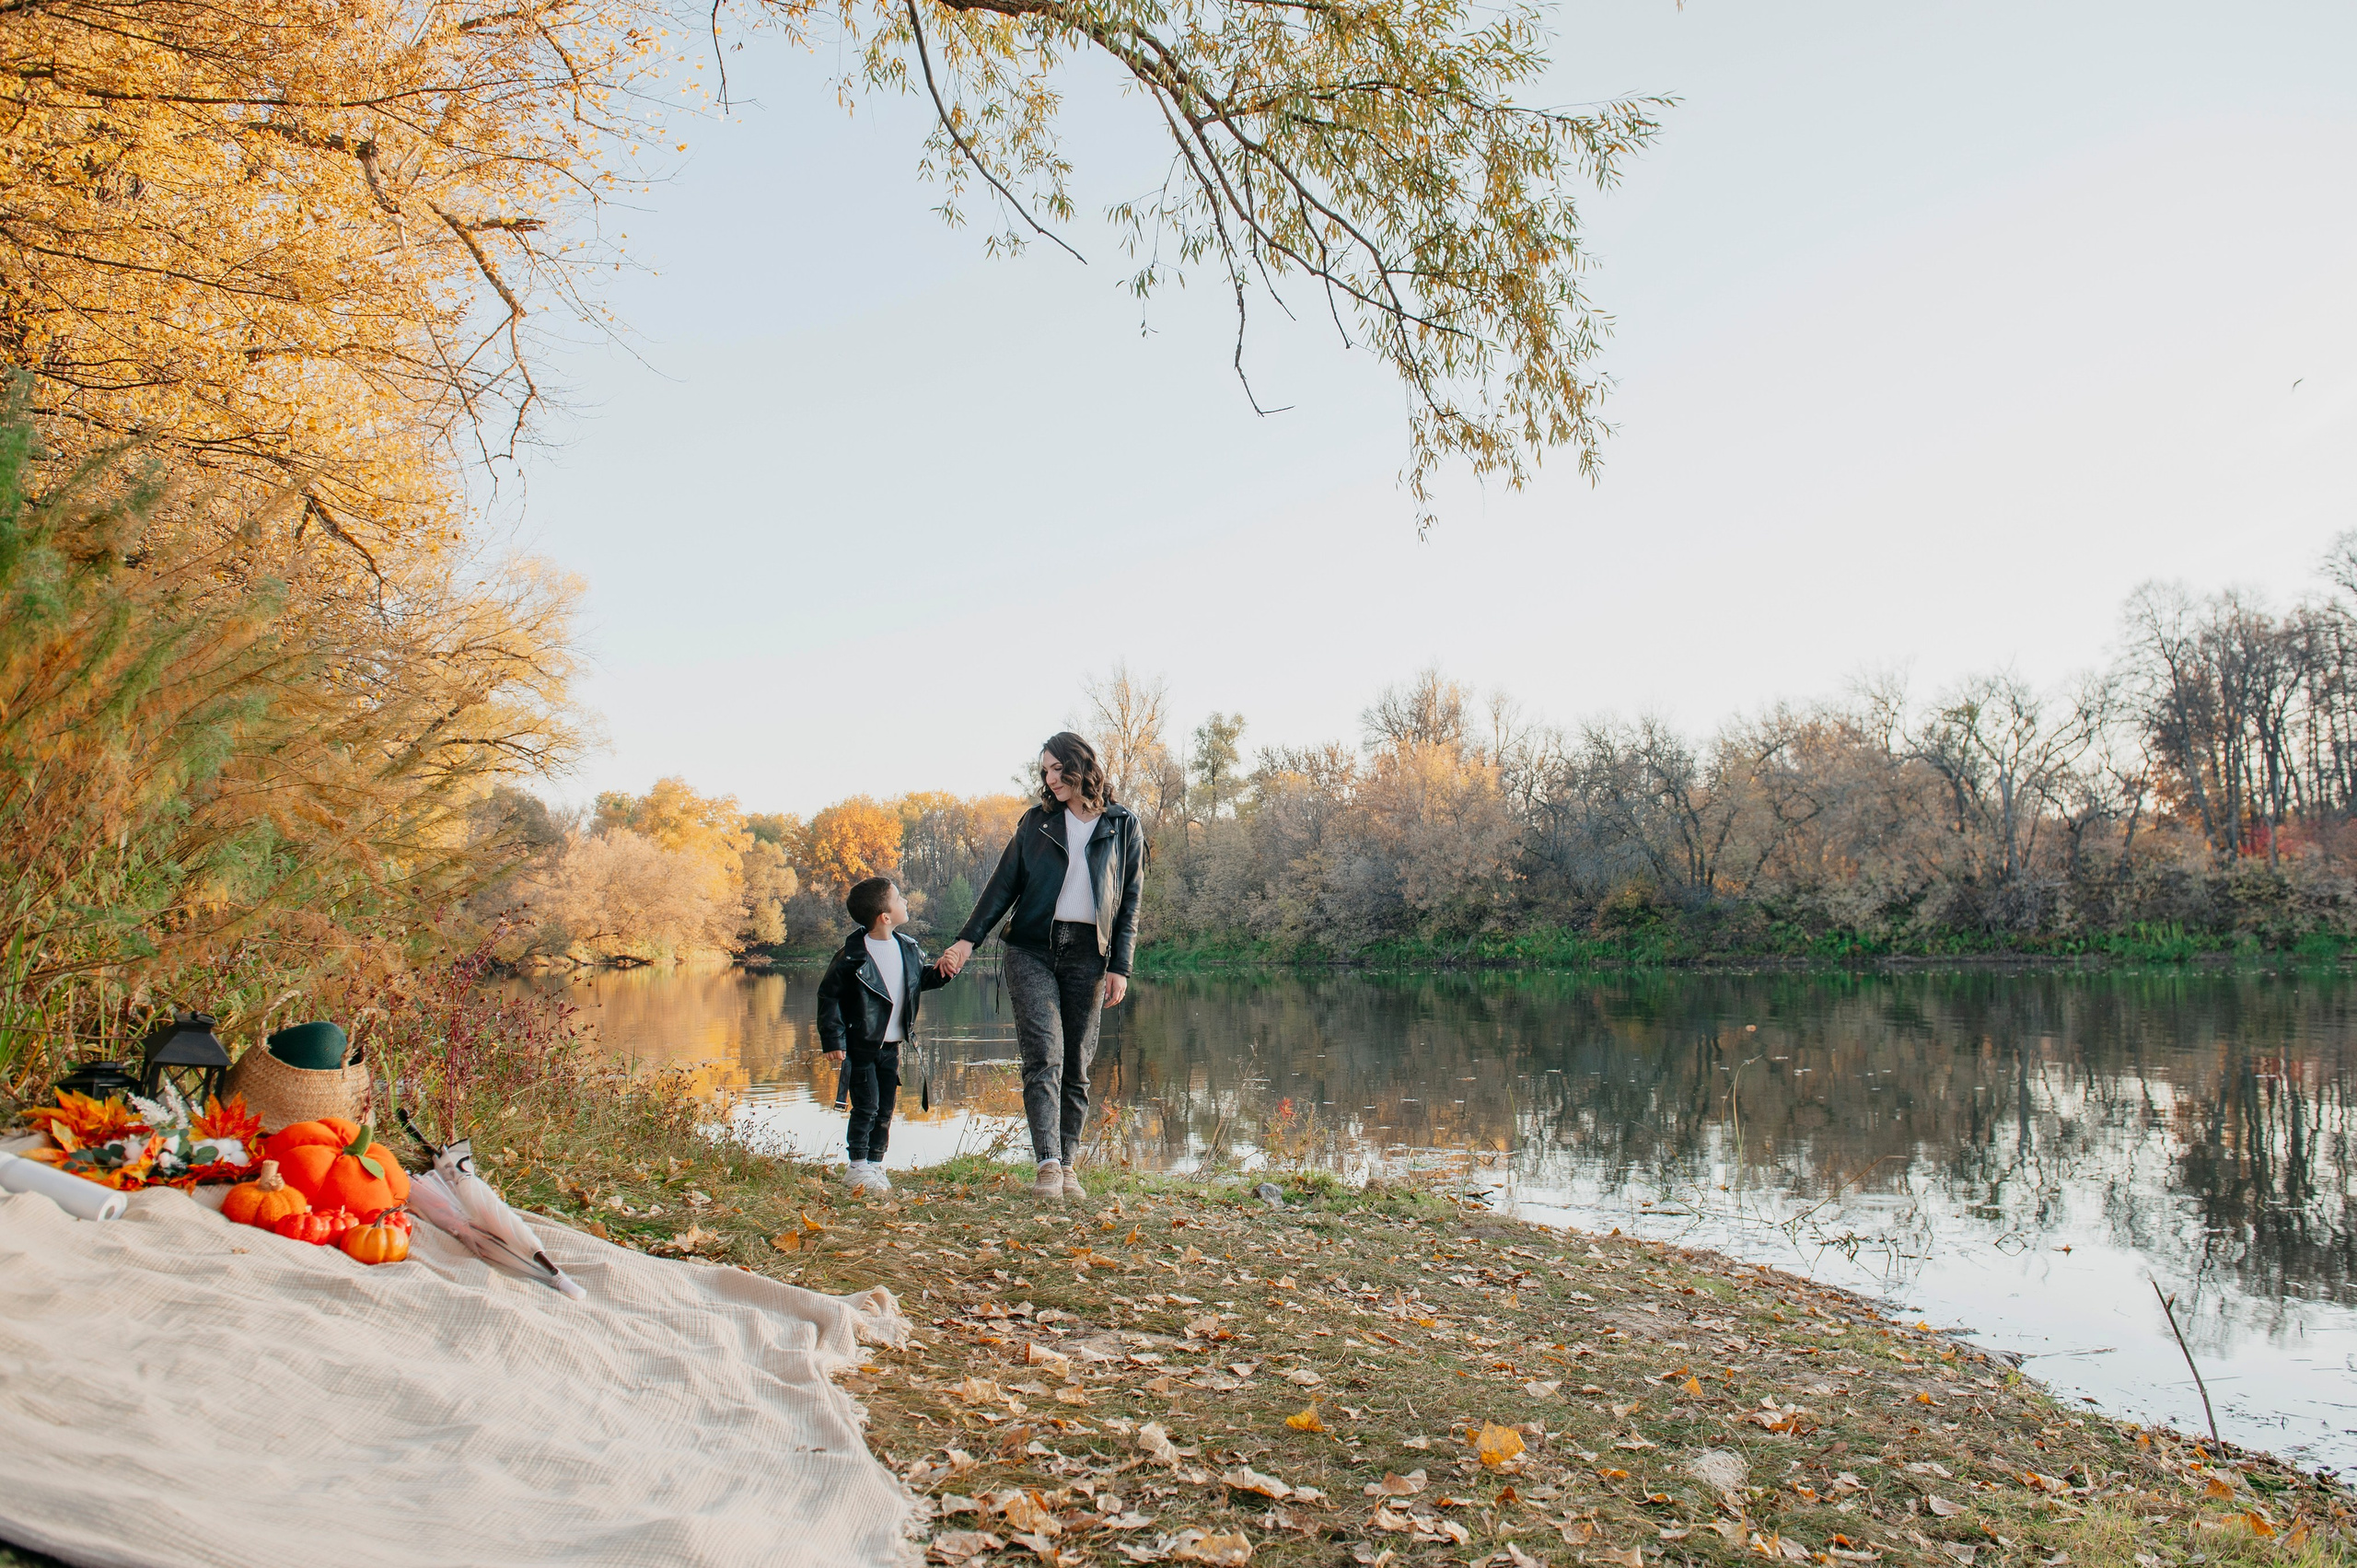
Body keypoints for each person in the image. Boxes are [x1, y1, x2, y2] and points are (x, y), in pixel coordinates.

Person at [935, 731, 1144, 1201]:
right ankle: (1048, 1164)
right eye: (1045, 772)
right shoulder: (1036, 823)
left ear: (1081, 765)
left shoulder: (1123, 824)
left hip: (1090, 956)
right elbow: (1001, 886)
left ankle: (1068, 1165)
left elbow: (1130, 900)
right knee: (1044, 1055)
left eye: (1057, 769)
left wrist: (1121, 966)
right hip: (1030, 949)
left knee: (1078, 1063)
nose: (1050, 780)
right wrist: (966, 942)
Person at [816, 876, 954, 1195]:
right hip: (861, 1046)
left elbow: (919, 981)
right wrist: (833, 1039)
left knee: (886, 1107)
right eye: (899, 898)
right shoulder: (853, 955)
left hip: (891, 1047)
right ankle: (856, 1167)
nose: (905, 901)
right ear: (885, 917)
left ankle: (875, 1165)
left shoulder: (908, 947)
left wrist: (942, 972)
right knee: (867, 1106)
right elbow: (829, 996)